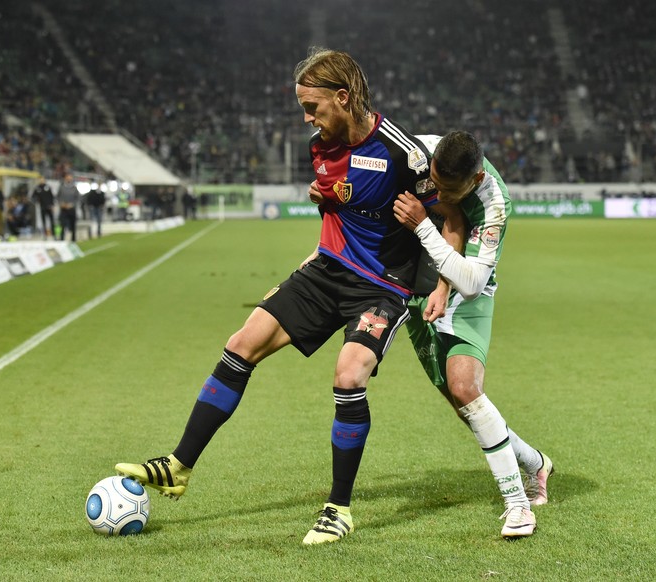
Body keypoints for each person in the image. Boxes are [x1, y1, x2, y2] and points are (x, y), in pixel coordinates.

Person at [115, 47, 465, 545]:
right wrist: (306, 266)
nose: (306, 117)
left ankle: (339, 509)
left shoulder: (402, 152)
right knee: (242, 342)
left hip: (382, 286)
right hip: (327, 270)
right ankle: (178, 466)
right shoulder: (319, 146)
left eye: (312, 106)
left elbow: (452, 218)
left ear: (343, 97)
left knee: (348, 375)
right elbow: (335, 212)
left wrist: (445, 282)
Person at [391, 131, 553, 538]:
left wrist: (424, 227)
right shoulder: (419, 149)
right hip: (419, 282)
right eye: (435, 182)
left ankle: (518, 506)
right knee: (462, 404)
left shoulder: (494, 203)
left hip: (470, 281)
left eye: (450, 190)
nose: (441, 195)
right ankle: (535, 462)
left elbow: (472, 282)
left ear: (475, 181)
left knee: (465, 387)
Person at [56, 173, 79, 242]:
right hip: (63, 209)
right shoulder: (61, 187)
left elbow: (77, 198)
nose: (69, 178)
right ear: (65, 178)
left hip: (72, 209)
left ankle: (73, 240)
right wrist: (61, 203)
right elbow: (58, 197)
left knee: (73, 225)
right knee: (62, 225)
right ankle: (61, 239)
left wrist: (72, 204)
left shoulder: (74, 188)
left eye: (70, 177)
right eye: (68, 177)